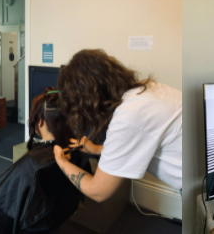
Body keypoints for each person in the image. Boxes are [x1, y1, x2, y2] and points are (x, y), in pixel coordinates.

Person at [53, 49, 183, 204]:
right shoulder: (147, 90)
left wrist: (61, 161)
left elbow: (98, 191)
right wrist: (95, 149)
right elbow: (130, 144)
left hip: (197, 183)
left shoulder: (129, 116)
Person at [0, 88, 91, 234]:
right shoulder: (77, 150)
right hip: (57, 213)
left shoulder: (35, 163)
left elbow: (6, 198)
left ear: (40, 121)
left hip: (27, 219)